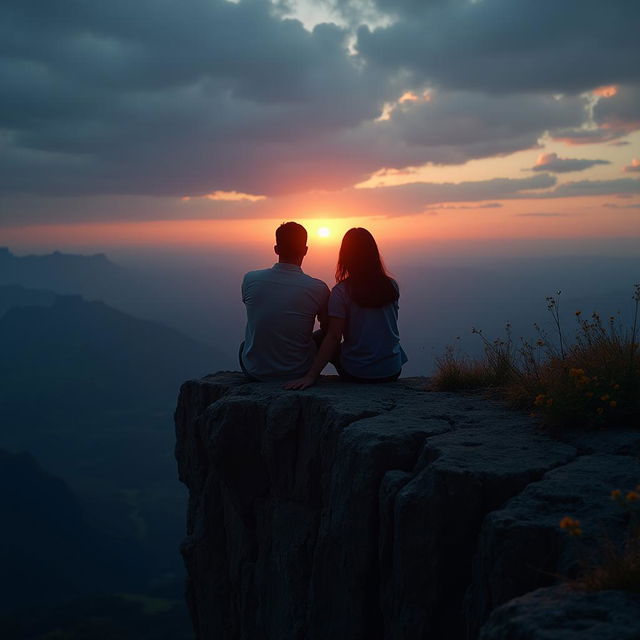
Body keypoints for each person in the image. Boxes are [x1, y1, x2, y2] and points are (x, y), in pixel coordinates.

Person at [285, 227, 407, 389]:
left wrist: (311, 376)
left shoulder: (341, 292)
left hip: (357, 374)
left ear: (346, 257)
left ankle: (296, 373)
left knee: (320, 337)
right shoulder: (391, 286)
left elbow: (334, 337)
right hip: (392, 371)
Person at [239, 221, 330, 381]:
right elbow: (328, 328)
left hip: (255, 371)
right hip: (298, 372)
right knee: (326, 335)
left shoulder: (250, 279)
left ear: (276, 249)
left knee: (244, 345)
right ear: (305, 250)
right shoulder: (318, 288)